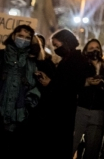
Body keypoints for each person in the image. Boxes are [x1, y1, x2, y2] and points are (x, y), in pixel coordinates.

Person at [36, 28, 87, 158]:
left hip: (63, 111)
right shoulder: (68, 59)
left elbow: (70, 86)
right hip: (61, 110)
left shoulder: (76, 60)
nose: (55, 49)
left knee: (60, 146)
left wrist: (50, 83)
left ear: (66, 42)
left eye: (57, 45)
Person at [0, 25, 41, 158]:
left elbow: (35, 88)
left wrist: (27, 107)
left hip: (19, 119)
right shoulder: (0, 57)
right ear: (13, 36)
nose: (23, 39)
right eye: (21, 36)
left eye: (28, 38)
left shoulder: (32, 63)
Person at [73, 39, 104, 159]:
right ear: (86, 51)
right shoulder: (81, 66)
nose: (94, 50)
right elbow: (72, 84)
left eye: (97, 48)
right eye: (91, 48)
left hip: (98, 113)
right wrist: (86, 83)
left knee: (93, 150)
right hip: (80, 110)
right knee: (71, 144)